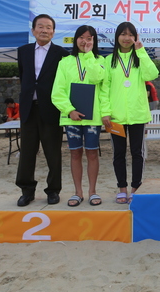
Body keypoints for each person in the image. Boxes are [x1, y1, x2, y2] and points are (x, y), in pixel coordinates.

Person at [101, 22, 159, 204]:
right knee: (118, 153)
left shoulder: (139, 58)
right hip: (116, 117)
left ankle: (135, 188)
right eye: (123, 34)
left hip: (137, 115)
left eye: (130, 35)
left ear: (135, 37)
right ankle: (122, 189)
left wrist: (141, 51)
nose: (126, 38)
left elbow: (152, 74)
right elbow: (104, 89)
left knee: (137, 153)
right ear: (117, 36)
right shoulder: (108, 60)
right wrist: (105, 112)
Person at [15, 14, 69, 207]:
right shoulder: (23, 51)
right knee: (27, 152)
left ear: (53, 32)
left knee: (53, 153)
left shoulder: (62, 54)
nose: (44, 30)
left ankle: (53, 190)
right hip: (29, 109)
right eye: (40, 26)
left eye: (48, 27)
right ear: (33, 30)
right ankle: (26, 191)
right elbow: (24, 77)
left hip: (51, 109)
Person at [52, 25, 105, 207]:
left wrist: (89, 56)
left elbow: (97, 78)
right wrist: (69, 110)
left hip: (93, 117)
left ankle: (92, 191)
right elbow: (57, 91)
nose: (85, 41)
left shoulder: (100, 60)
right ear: (75, 39)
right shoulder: (65, 62)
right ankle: (78, 192)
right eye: (81, 37)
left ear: (94, 41)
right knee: (75, 153)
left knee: (92, 153)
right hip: (71, 116)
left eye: (89, 38)